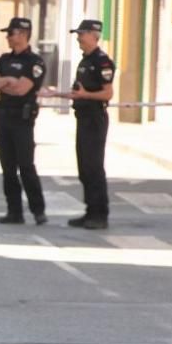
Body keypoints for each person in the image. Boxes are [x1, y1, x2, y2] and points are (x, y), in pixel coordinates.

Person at [40, 20, 116, 230]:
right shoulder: (84, 61)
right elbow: (77, 93)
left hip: (94, 118)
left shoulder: (102, 62)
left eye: (82, 34)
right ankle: (90, 211)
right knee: (84, 169)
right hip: (83, 117)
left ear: (94, 35)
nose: (78, 38)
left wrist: (86, 95)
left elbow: (107, 93)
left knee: (93, 167)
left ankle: (100, 215)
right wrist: (56, 93)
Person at [0, 17, 48, 226]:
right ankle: (14, 211)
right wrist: (7, 81)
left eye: (11, 33)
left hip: (23, 119)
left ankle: (38, 210)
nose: (8, 38)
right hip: (3, 118)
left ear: (22, 34)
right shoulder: (3, 60)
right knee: (8, 168)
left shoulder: (34, 62)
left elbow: (22, 89)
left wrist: (3, 84)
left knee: (26, 166)